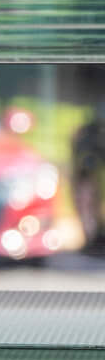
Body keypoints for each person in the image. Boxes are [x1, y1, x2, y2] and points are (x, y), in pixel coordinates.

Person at [71, 106, 105, 252]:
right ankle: (92, 240)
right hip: (87, 178)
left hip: (90, 179)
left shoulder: (89, 133)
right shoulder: (87, 133)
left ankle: (94, 239)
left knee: (90, 209)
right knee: (88, 210)